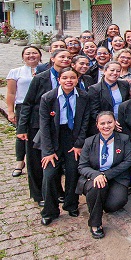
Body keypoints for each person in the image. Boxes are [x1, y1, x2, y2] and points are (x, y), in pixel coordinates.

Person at [17, 49, 71, 205]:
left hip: (59, 125)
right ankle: (39, 195)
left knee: (55, 162)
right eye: (62, 56)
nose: (66, 59)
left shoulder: (69, 77)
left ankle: (57, 192)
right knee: (36, 162)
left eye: (68, 57)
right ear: (52, 59)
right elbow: (27, 103)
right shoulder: (40, 78)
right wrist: (22, 128)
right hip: (37, 124)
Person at [38, 68, 91, 226]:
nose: (69, 81)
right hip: (53, 137)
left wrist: (79, 144)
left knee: (73, 171)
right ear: (59, 79)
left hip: (72, 137)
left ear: (77, 80)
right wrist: (48, 151)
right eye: (65, 78)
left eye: (72, 78)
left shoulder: (83, 96)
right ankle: (50, 210)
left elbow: (85, 122)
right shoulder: (48, 98)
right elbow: (44, 126)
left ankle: (71, 204)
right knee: (50, 174)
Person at [77, 111, 131, 239]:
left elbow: (128, 161)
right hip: (94, 178)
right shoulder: (89, 142)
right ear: (97, 125)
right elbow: (82, 166)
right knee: (97, 187)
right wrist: (97, 175)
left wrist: (105, 175)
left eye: (109, 122)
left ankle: (98, 201)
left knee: (114, 205)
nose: (106, 126)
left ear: (115, 123)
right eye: (102, 123)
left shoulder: (124, 139)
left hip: (116, 177)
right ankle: (95, 223)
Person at [6, 46, 41, 177]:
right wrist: (10, 111)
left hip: (40, 107)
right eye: (28, 53)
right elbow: (11, 93)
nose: (31, 56)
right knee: (21, 134)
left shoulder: (44, 70)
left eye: (34, 53)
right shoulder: (16, 72)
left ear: (40, 55)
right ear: (23, 57)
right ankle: (19, 162)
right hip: (23, 107)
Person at [87, 62, 130, 135]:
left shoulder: (124, 84)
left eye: (118, 71)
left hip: (122, 124)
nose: (115, 73)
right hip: (104, 126)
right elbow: (94, 111)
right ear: (105, 71)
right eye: (112, 70)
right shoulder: (94, 89)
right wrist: (111, 122)